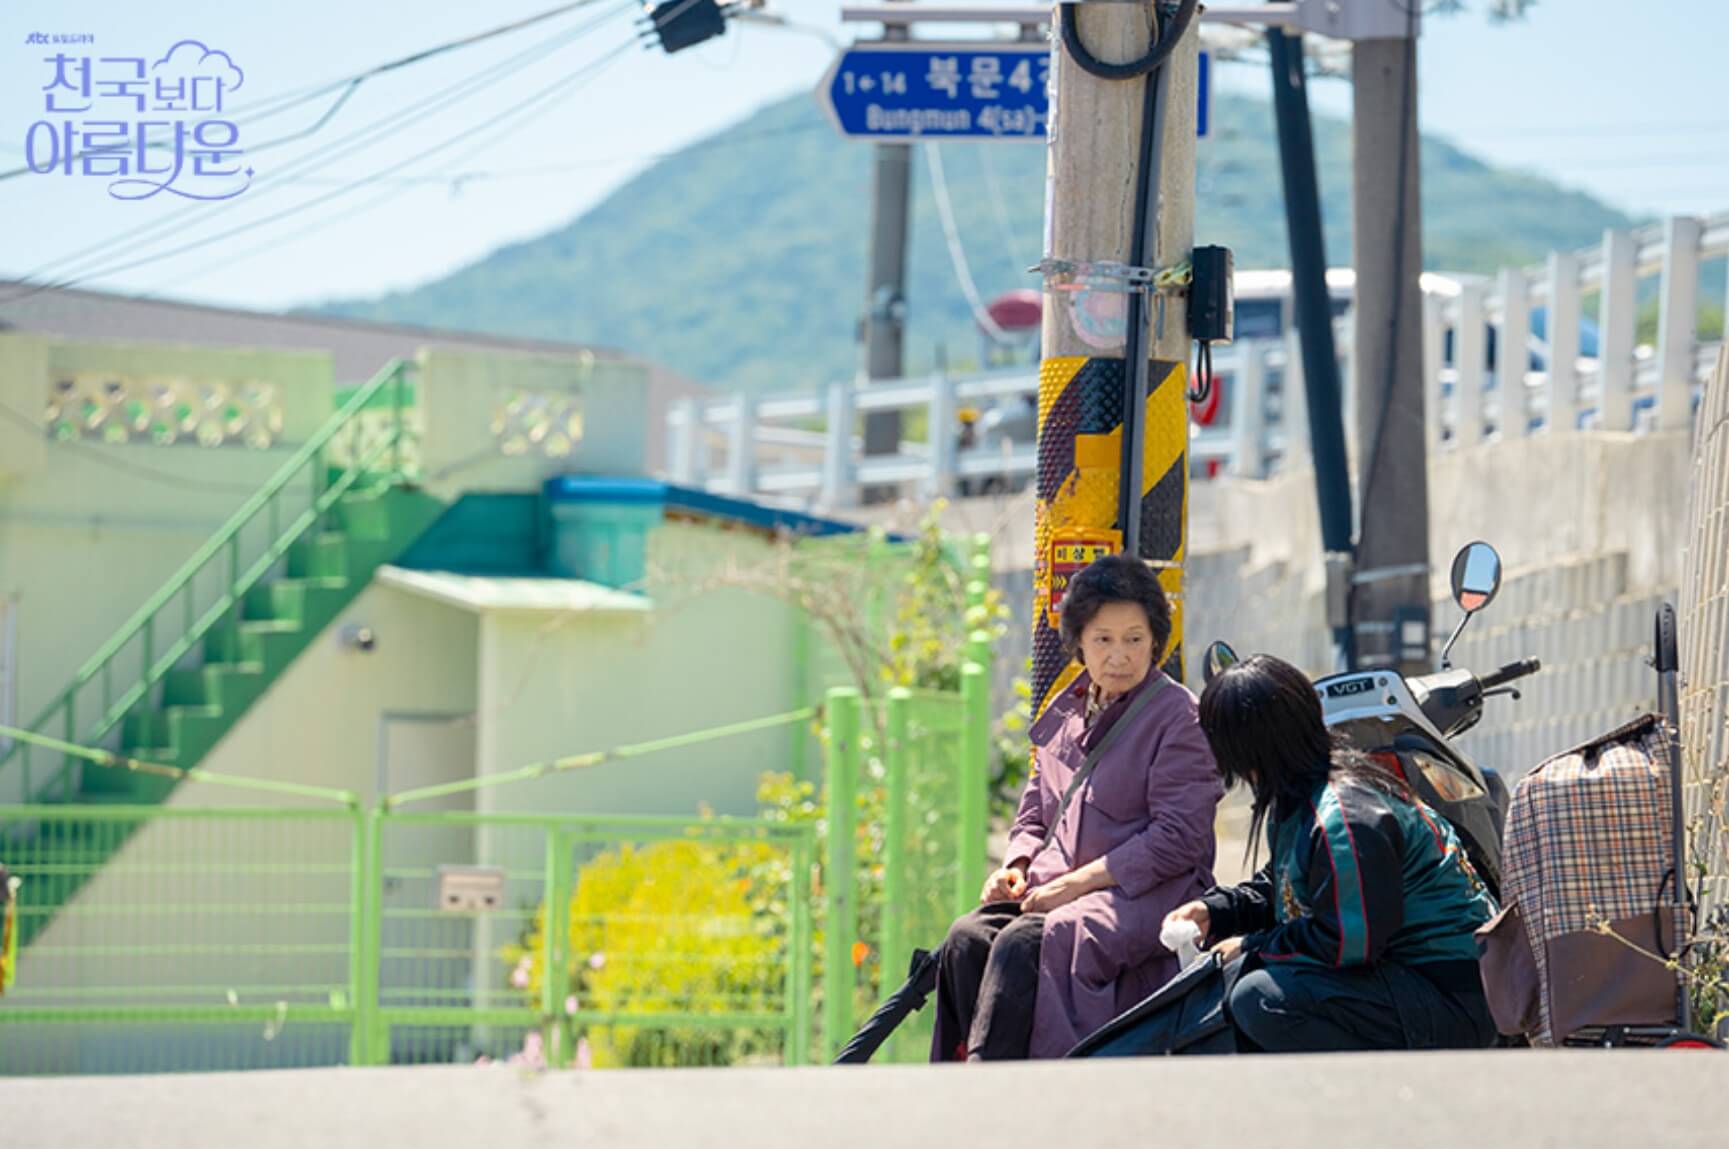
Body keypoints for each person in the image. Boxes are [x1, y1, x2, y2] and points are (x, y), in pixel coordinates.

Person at [931, 555, 1224, 1061]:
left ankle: (1008, 1087)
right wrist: (1015, 866)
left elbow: (1178, 839)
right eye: (1103, 639)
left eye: (1134, 638)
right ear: (1079, 643)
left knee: (1030, 942)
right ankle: (957, 1072)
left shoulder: (1179, 718)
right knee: (967, 936)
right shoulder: (1064, 713)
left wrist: (1076, 884)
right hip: (1055, 887)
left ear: (1156, 640)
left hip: (1149, 892)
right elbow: (1033, 813)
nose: (1120, 655)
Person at [1165, 654, 1498, 1053]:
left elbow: (1348, 941)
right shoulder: (1303, 796)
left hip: (1450, 996)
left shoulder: (1343, 817)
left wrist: (1252, 945)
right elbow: (1284, 886)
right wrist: (1217, 910)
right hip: (1407, 982)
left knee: (1261, 998)